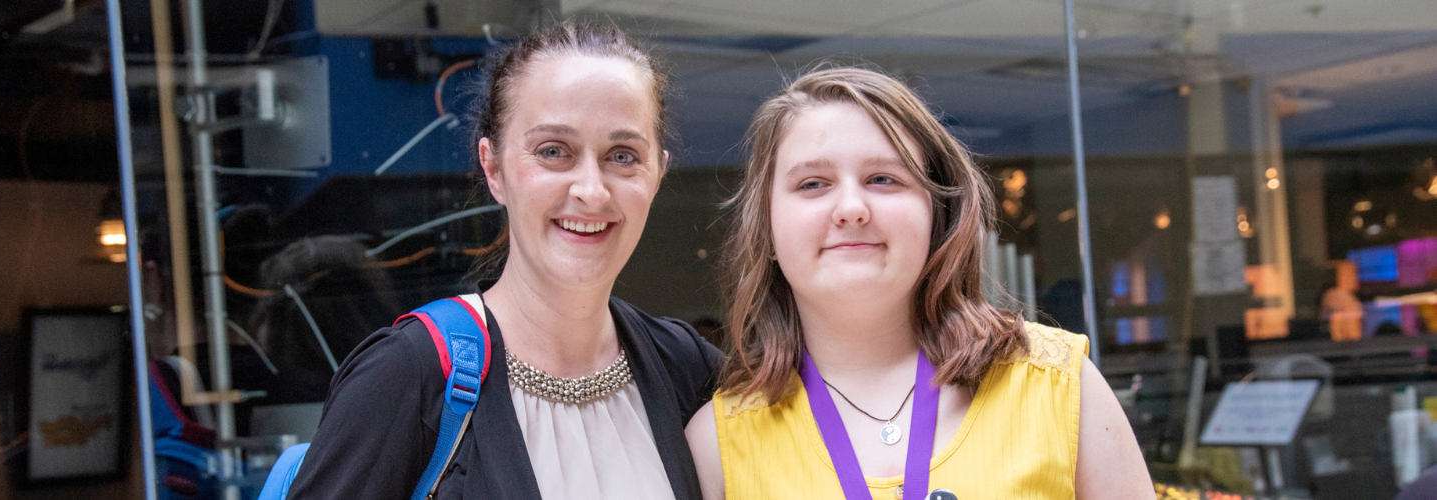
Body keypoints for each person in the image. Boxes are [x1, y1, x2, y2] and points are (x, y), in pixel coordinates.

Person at [289, 20, 722, 500]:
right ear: (493, 169)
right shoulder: (407, 377)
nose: (591, 191)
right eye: (553, 151)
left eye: (622, 156)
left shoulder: (688, 368)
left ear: (657, 174)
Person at [685, 66, 1152, 499]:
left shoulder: (1058, 386)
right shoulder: (717, 446)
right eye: (812, 184)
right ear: (766, 228)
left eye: (884, 178)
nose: (851, 207)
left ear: (937, 216)